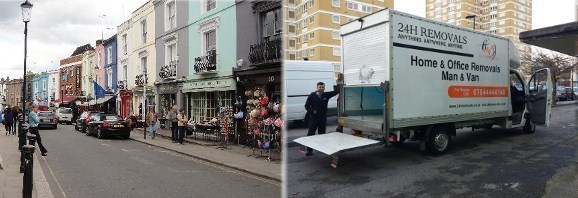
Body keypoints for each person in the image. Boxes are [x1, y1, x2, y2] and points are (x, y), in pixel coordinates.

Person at [303, 82, 339, 156]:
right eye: (320, 87)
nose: (321, 88)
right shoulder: (312, 95)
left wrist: (338, 85)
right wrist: (312, 112)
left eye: (323, 87)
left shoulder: (326, 95)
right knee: (311, 133)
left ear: (324, 88)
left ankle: (321, 149)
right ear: (317, 88)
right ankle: (309, 150)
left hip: (322, 118)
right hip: (314, 118)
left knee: (322, 134)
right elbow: (306, 106)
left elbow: (336, 92)